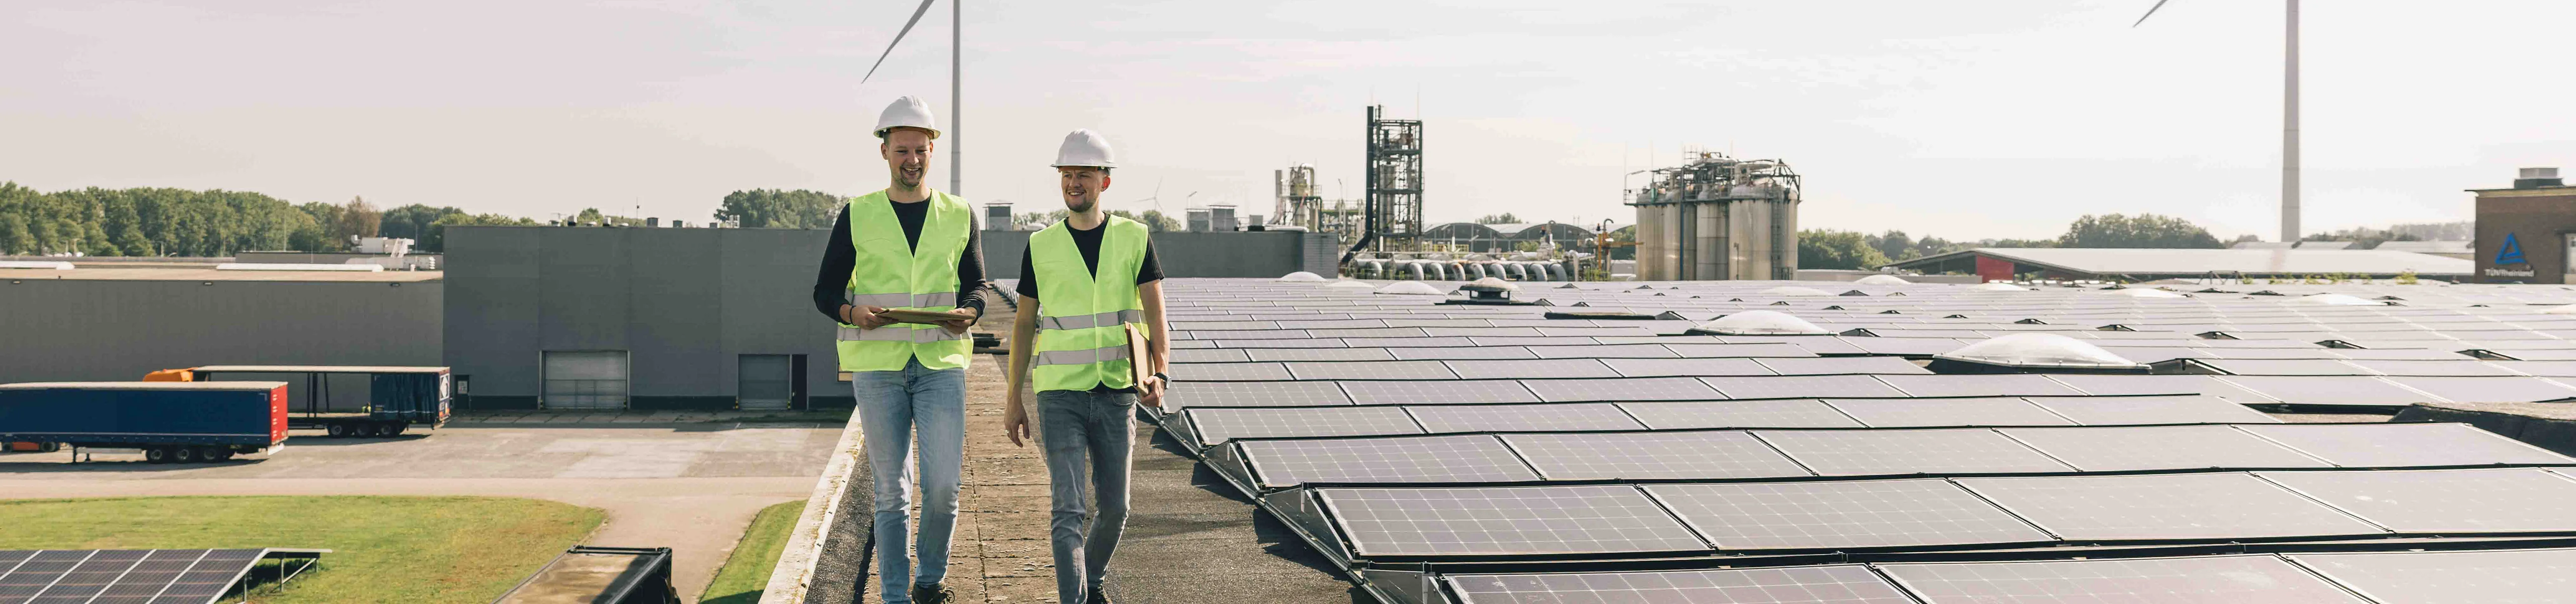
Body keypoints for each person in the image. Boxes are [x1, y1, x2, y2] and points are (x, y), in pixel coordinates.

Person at [811, 95, 983, 604]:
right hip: (878, 368)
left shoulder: (958, 214)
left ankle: (929, 580)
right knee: (891, 492)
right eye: (901, 150)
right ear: (884, 152)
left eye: (920, 150)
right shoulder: (857, 214)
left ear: (933, 150)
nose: (912, 159)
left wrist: (969, 315)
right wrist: (851, 314)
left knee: (945, 487)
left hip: (939, 366)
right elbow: (825, 292)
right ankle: (894, 596)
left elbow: (976, 287)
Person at [1002, 129, 1168, 604]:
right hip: (1060, 395)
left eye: (1084, 176)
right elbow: (1023, 326)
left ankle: (1091, 581)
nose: (1074, 183)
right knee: (1068, 509)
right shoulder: (1041, 245)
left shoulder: (1135, 238)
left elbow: (1157, 315)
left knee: (1116, 509)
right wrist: (1014, 398)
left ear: (1105, 183)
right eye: (1067, 175)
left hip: (1117, 393)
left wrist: (1160, 371)